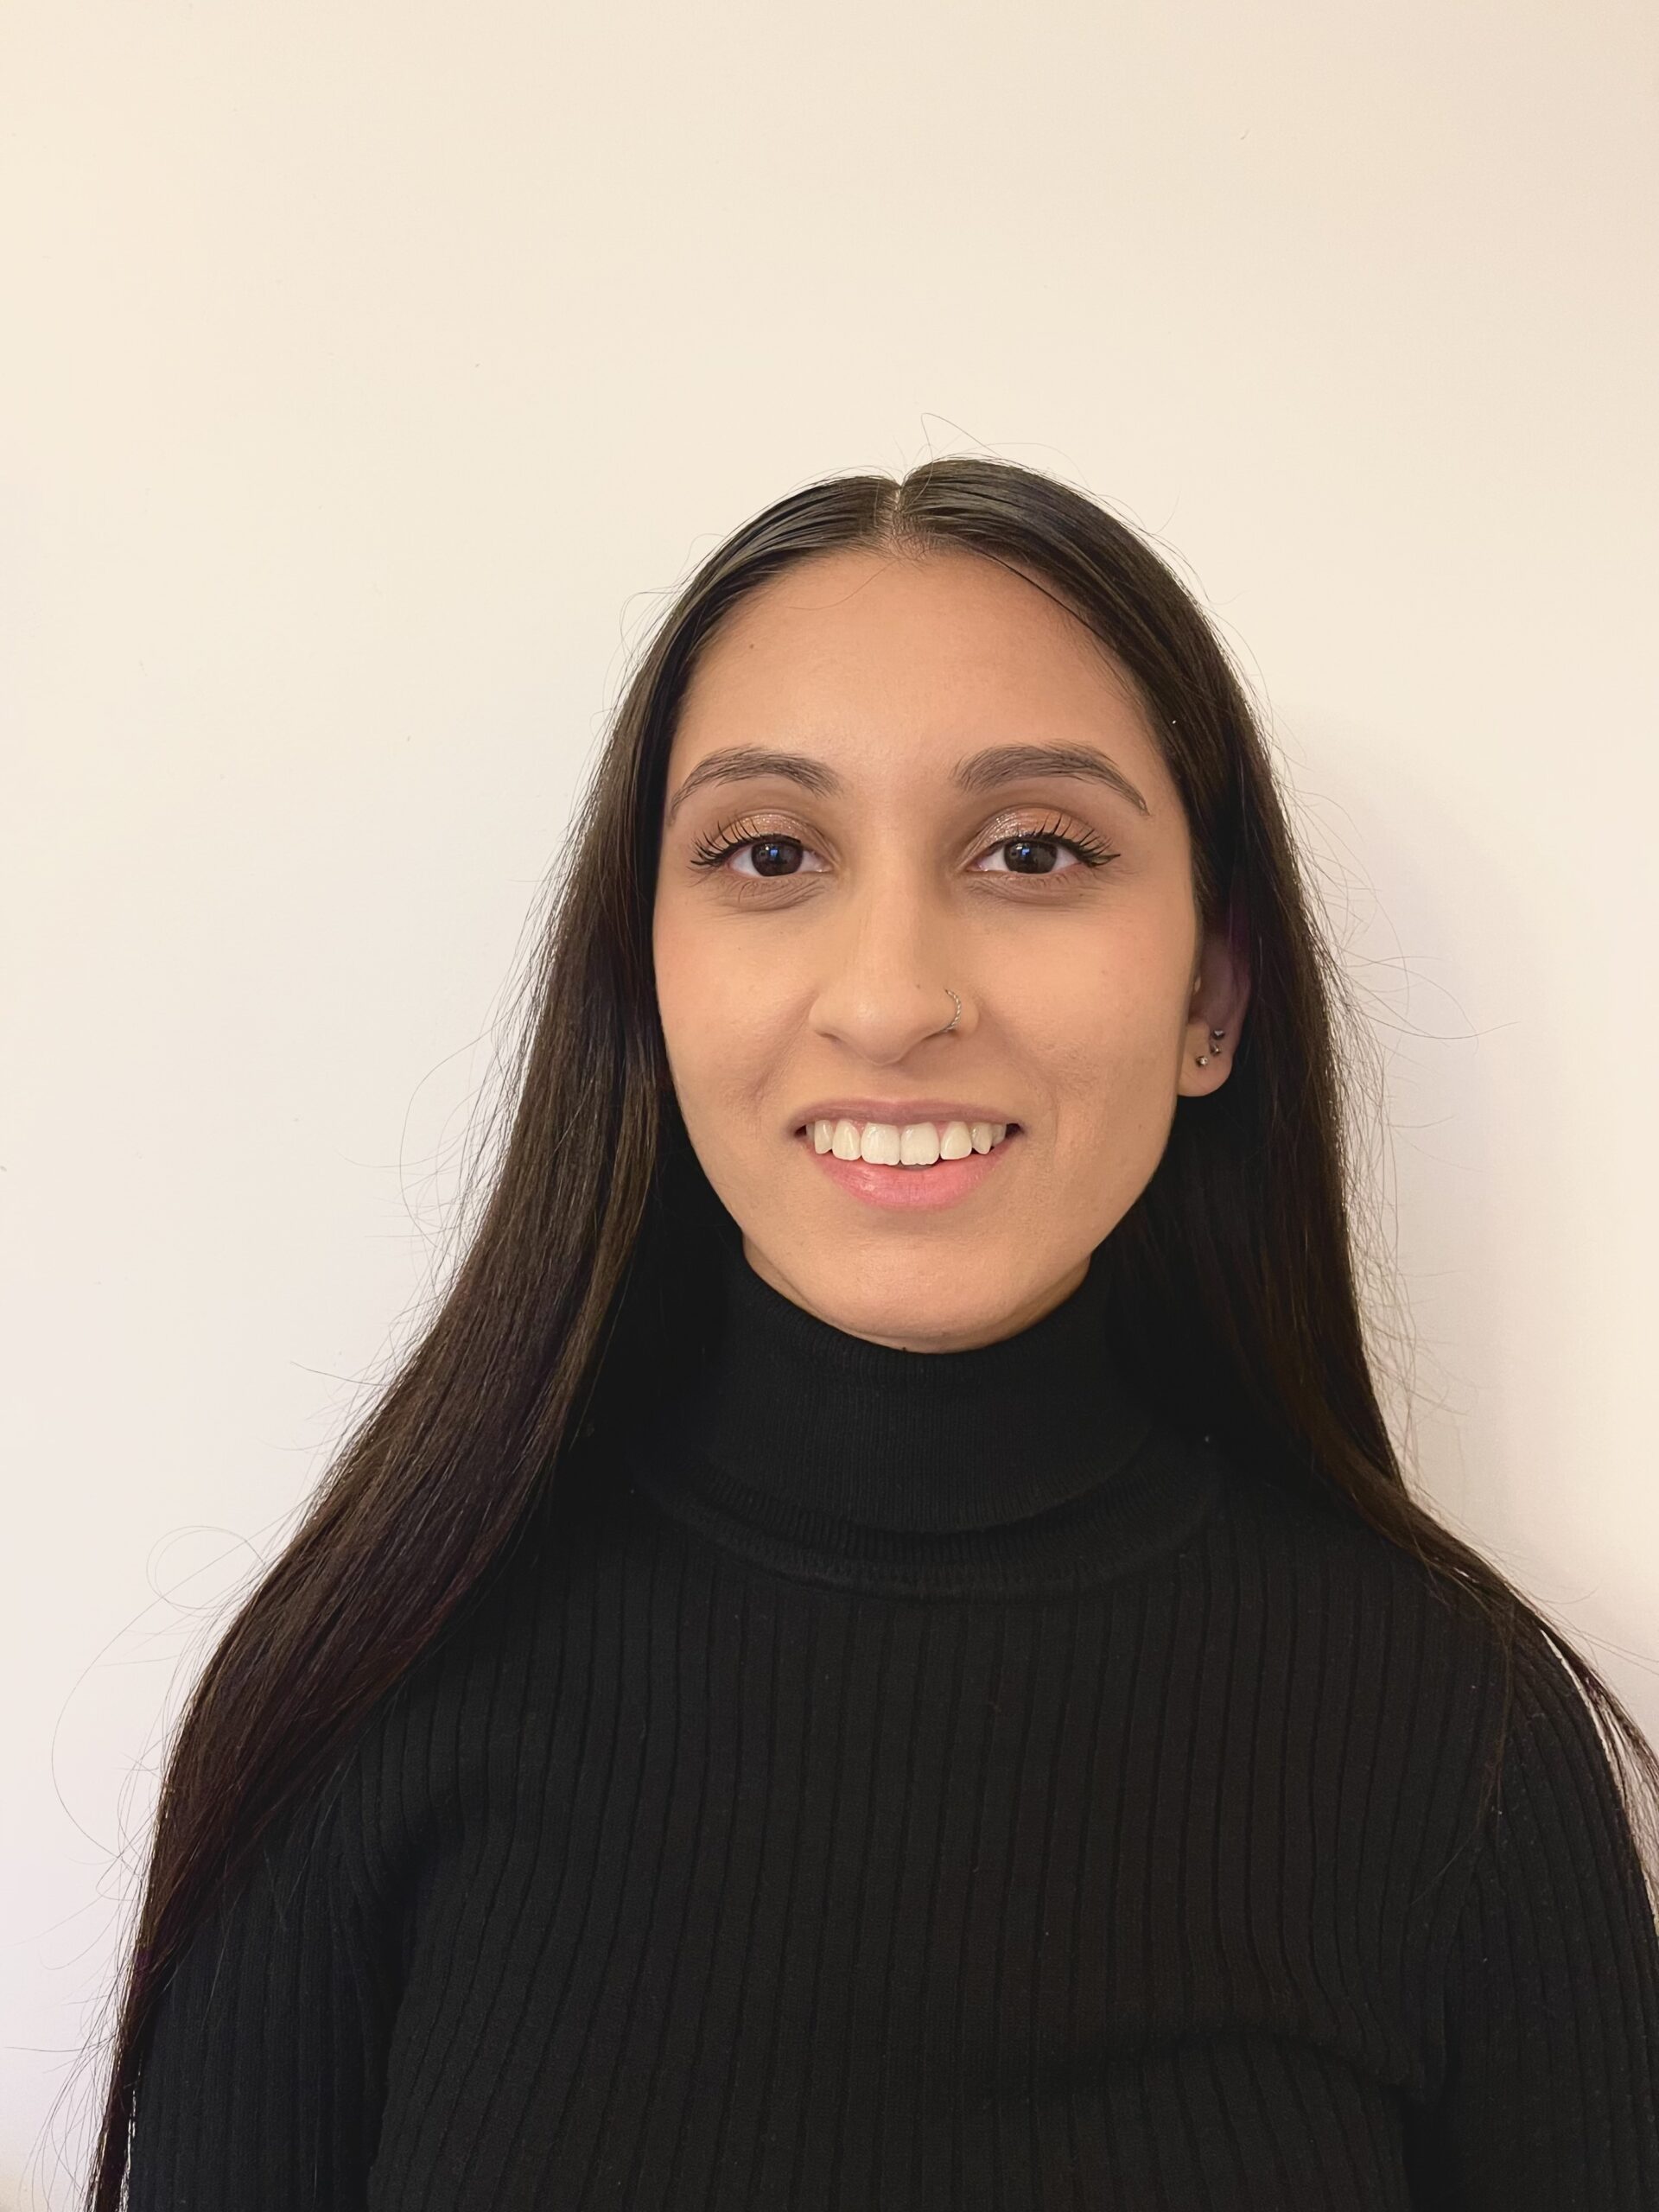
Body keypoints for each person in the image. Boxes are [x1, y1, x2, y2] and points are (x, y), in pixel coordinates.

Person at [91, 460, 1659, 2209]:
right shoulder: (360, 1690)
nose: (896, 996)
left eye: (1033, 850)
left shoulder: (1465, 1746)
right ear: (649, 965)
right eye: (772, 852)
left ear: (1213, 992)